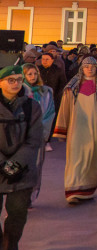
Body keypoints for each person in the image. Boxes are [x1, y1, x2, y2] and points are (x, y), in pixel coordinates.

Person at [53, 57, 97, 203]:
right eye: (86, 66)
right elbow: (65, 109)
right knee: (76, 158)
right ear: (82, 68)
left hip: (96, 129)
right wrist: (62, 129)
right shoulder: (72, 87)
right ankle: (72, 190)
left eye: (93, 66)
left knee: (93, 159)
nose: (90, 69)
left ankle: (87, 188)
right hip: (77, 129)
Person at [0, 65, 44, 250]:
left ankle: (10, 243)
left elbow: (34, 140)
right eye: (11, 80)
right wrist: (3, 164)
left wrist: (15, 163)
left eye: (19, 79)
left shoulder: (31, 107)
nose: (16, 83)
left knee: (17, 212)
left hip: (22, 170)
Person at [20, 64, 55, 201]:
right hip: (23, 134)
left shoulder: (45, 92)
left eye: (35, 74)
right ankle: (22, 194)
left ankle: (33, 193)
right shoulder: (20, 91)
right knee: (24, 163)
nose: (33, 77)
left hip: (39, 133)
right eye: (29, 74)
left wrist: (42, 129)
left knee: (37, 164)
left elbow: (50, 112)